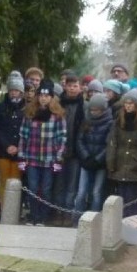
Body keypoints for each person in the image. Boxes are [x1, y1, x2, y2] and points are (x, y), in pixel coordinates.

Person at [17, 78, 67, 226]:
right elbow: (23, 136)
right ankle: (33, 215)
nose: (43, 98)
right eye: (41, 95)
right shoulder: (30, 113)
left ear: (51, 97)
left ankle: (42, 217)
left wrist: (59, 158)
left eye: (47, 96)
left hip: (49, 158)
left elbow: (62, 138)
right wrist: (21, 156)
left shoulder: (57, 115)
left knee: (46, 189)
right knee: (32, 188)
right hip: (32, 158)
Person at [107, 88, 137, 217]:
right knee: (120, 199)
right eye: (126, 103)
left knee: (133, 201)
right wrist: (111, 164)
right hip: (120, 165)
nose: (128, 106)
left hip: (135, 166)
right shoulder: (118, 121)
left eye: (131, 103)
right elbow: (113, 143)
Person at [73, 93, 114, 222]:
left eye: (96, 110)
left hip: (100, 163)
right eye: (92, 110)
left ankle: (94, 220)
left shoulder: (110, 123)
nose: (94, 112)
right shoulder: (87, 120)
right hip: (86, 161)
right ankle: (77, 219)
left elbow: (109, 144)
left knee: (97, 192)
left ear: (103, 109)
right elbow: (79, 140)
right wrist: (86, 156)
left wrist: (97, 159)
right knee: (81, 192)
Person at [53, 72, 85, 225]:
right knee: (59, 184)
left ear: (80, 88)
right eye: (69, 86)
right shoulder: (58, 104)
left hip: (75, 152)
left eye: (75, 86)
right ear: (64, 86)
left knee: (72, 186)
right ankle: (58, 212)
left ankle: (67, 213)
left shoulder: (84, 105)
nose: (72, 89)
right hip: (59, 150)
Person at [0, 71, 25, 213]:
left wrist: (18, 146)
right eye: (12, 90)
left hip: (19, 152)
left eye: (17, 90)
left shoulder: (26, 108)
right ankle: (5, 209)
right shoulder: (0, 107)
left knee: (16, 181)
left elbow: (26, 130)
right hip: (3, 151)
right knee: (4, 181)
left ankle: (14, 210)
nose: (14, 93)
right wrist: (7, 146)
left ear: (21, 91)